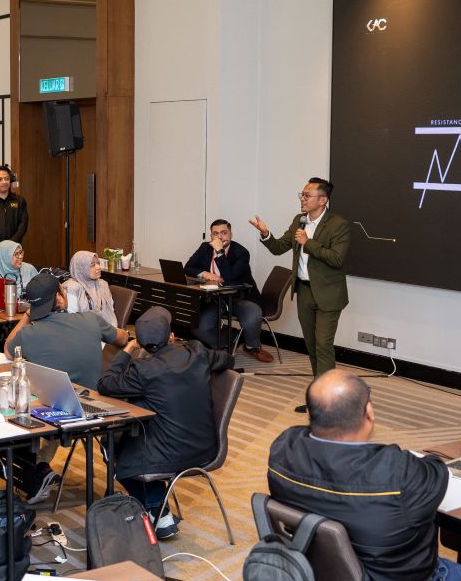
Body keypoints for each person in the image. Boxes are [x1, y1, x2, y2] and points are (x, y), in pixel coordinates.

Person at [268, 370, 461, 581]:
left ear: (309, 414)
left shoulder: (282, 449)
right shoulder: (396, 472)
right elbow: (438, 473)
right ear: (369, 411)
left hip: (317, 580)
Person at [97, 307, 234, 540]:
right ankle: (159, 512)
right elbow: (227, 360)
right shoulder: (197, 351)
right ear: (171, 336)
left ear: (141, 342)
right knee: (130, 441)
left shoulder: (143, 370)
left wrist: (129, 348)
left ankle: (157, 510)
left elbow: (106, 384)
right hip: (206, 448)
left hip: (169, 454)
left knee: (111, 446)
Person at [4, 273, 129, 503]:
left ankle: (36, 472)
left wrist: (28, 316)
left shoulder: (29, 333)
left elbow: (8, 350)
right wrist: (126, 334)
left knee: (18, 406)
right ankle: (40, 470)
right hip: (95, 407)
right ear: (60, 297)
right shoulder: (90, 320)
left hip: (52, 410)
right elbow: (122, 338)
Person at [251, 177, 349, 379]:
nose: (302, 199)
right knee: (311, 345)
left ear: (322, 200)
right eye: (302, 194)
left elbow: (337, 259)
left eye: (307, 195)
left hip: (328, 293)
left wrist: (308, 242)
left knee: (323, 345)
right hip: (304, 291)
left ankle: (327, 394)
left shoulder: (338, 224)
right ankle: (318, 387)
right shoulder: (299, 220)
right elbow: (279, 248)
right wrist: (266, 234)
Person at [184, 219, 274, 363]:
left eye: (224, 233)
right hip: (215, 299)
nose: (220, 237)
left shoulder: (241, 252)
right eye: (215, 234)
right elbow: (188, 267)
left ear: (231, 234)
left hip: (241, 297)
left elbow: (229, 276)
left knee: (253, 317)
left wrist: (220, 252)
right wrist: (205, 274)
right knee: (198, 327)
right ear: (211, 236)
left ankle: (252, 347)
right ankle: (227, 341)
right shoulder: (205, 247)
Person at [64, 250, 116, 327]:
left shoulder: (103, 284)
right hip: (82, 330)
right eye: (92, 265)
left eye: (98, 263)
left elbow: (110, 309)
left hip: (106, 328)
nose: (98, 267)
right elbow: (71, 319)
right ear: (81, 268)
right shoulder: (71, 287)